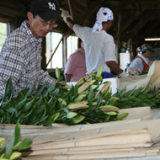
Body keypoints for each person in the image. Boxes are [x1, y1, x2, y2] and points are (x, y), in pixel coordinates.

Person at [0, 0, 65, 98]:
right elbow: (3, 88)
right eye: (44, 22)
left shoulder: (35, 39)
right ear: (30, 17)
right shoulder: (17, 45)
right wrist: (23, 106)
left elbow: (35, 72)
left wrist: (55, 83)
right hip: (18, 108)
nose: (48, 27)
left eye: (52, 23)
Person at [61, 7, 128, 78]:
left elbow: (72, 25)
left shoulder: (86, 32)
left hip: (90, 78)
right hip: (103, 77)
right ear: (110, 22)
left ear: (96, 19)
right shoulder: (107, 38)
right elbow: (110, 62)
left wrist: (65, 16)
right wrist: (123, 73)